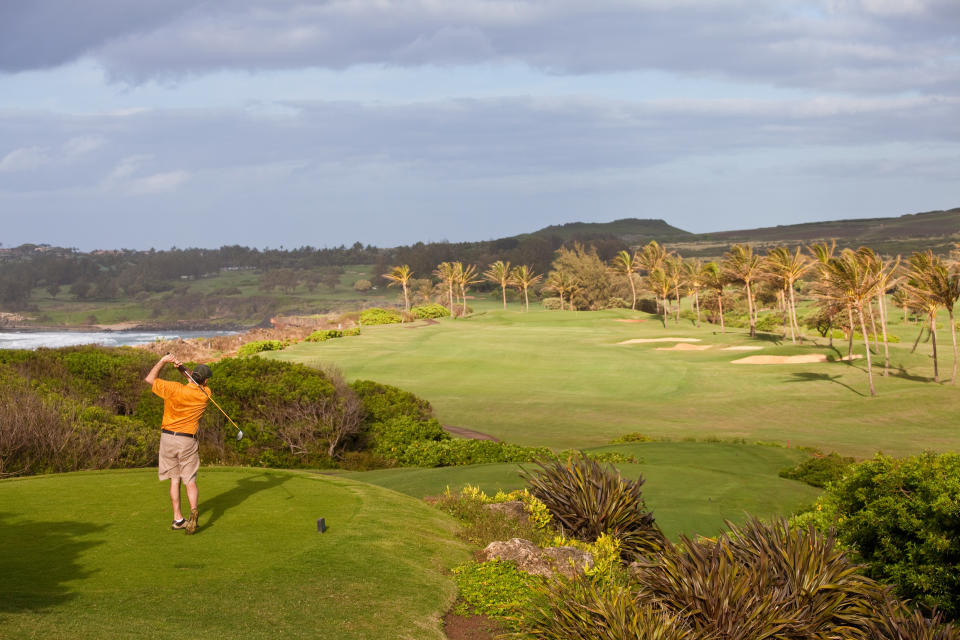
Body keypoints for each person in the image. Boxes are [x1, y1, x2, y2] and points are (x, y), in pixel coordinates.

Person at [144, 354, 213, 534]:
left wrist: (163, 361)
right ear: (205, 380)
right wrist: (182, 369)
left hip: (168, 438)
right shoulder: (206, 394)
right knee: (189, 480)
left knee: (174, 480)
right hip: (187, 440)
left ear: (193, 376)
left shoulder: (172, 388)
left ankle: (177, 518)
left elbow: (149, 378)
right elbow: (195, 382)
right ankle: (193, 512)